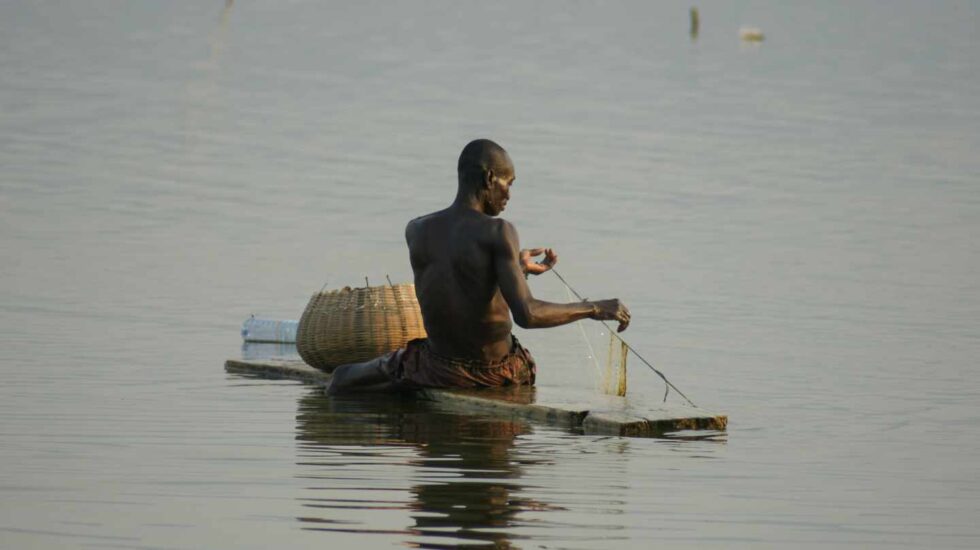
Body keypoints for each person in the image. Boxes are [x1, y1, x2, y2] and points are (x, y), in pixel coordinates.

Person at [326, 139, 630, 394]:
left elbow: (459, 282)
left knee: (340, 378)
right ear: (488, 179)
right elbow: (528, 314)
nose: (509, 195)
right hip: (493, 372)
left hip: (433, 366)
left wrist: (517, 270)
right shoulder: (499, 231)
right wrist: (594, 308)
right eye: (507, 184)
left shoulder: (416, 230)